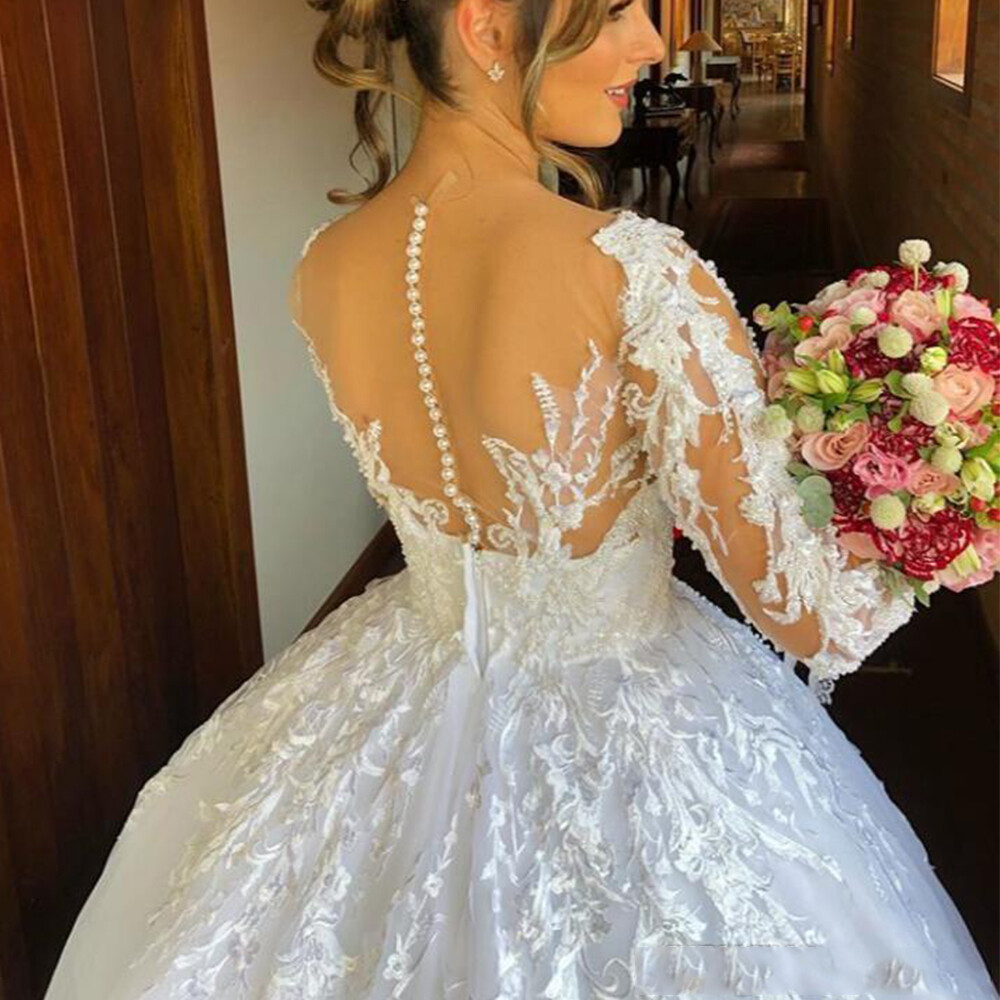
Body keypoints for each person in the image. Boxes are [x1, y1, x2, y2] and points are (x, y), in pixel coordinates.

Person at [43, 0, 999, 996]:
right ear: (487, 27)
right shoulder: (636, 272)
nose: (651, 43)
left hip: (399, 684)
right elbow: (808, 617)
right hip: (630, 713)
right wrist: (952, 491)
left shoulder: (326, 265)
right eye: (616, 10)